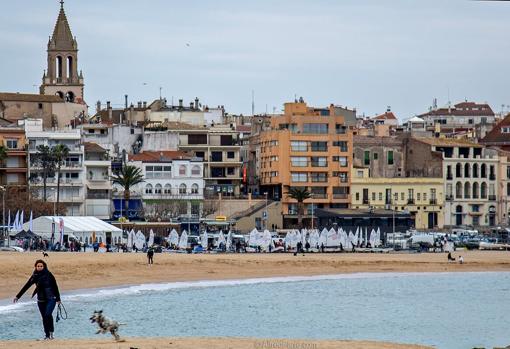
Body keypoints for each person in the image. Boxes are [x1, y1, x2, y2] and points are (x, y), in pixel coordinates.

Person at [13, 260, 61, 340]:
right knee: (44, 317)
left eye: (41, 266)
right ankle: (47, 336)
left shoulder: (49, 275)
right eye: (38, 266)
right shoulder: (35, 276)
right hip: (41, 300)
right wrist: (18, 296)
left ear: (44, 266)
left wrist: (58, 299)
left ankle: (51, 333)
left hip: (51, 298)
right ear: (36, 267)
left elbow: (55, 286)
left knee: (48, 314)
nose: (39, 267)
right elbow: (27, 286)